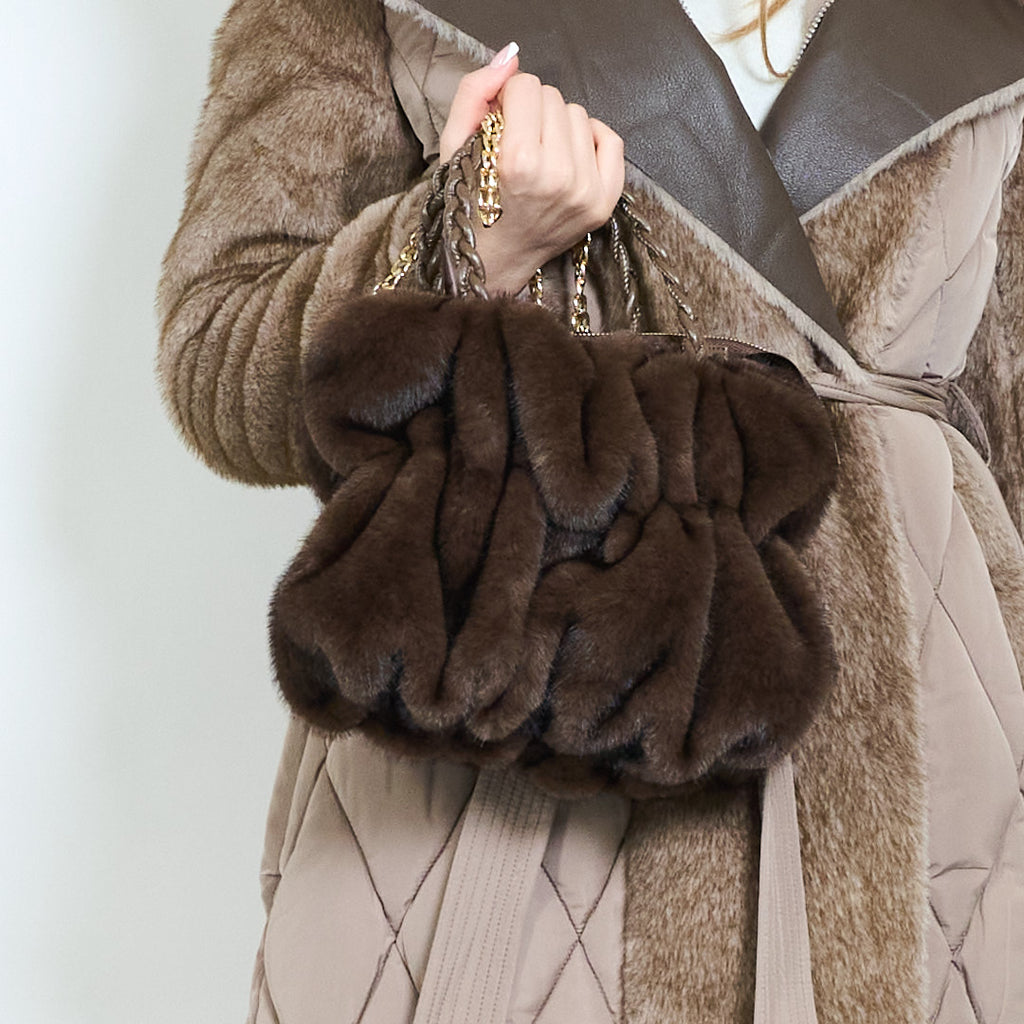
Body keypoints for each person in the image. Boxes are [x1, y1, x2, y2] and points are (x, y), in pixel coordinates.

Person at [156, 0, 1024, 1020]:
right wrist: (468, 236)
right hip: (515, 764)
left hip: (927, 747)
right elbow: (220, 360)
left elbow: (1001, 409)